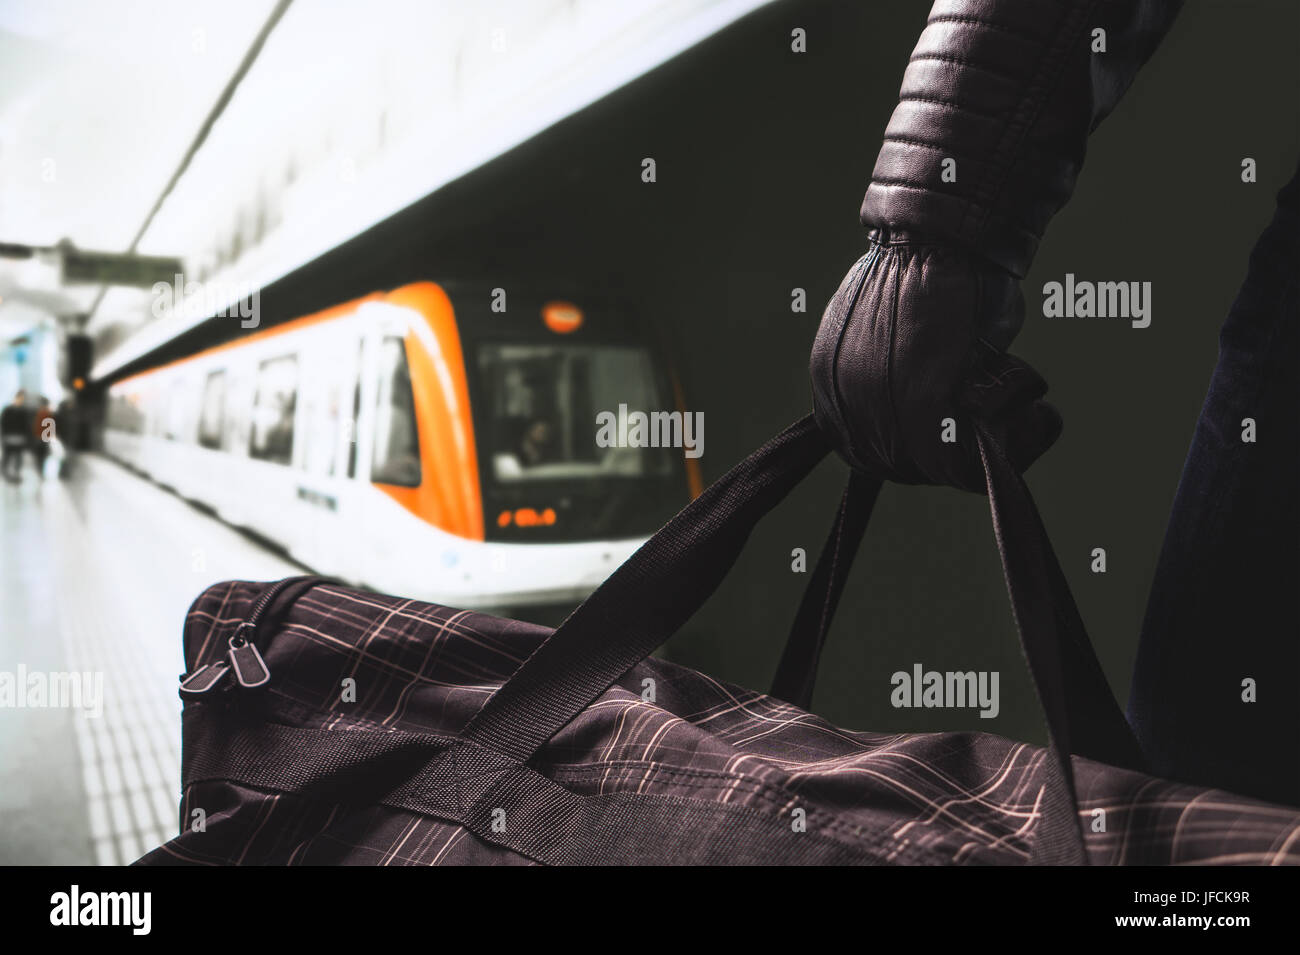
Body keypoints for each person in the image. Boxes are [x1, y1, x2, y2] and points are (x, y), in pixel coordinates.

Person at [1, 389, 29, 483]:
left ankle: (15, 474)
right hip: (9, 438)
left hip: (19, 439)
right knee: (8, 457)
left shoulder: (23, 411)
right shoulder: (8, 410)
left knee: (18, 458)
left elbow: (26, 426)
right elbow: (3, 424)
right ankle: (7, 475)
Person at [30, 395, 55, 479]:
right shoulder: (48, 414)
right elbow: (51, 427)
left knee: (39, 457)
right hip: (44, 439)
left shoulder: (38, 414)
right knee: (42, 456)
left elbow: (34, 427)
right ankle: (41, 472)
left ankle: (39, 472)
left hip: (39, 438)